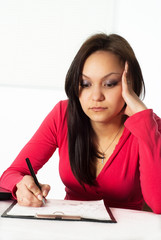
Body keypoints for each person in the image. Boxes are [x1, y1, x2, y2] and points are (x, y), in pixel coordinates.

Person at [0, 33, 161, 213]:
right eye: (85, 83)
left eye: (109, 83)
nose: (96, 96)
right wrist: (20, 186)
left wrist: (145, 123)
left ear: (130, 84)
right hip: (71, 229)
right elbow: (11, 174)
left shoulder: (149, 126)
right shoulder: (63, 115)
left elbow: (159, 203)